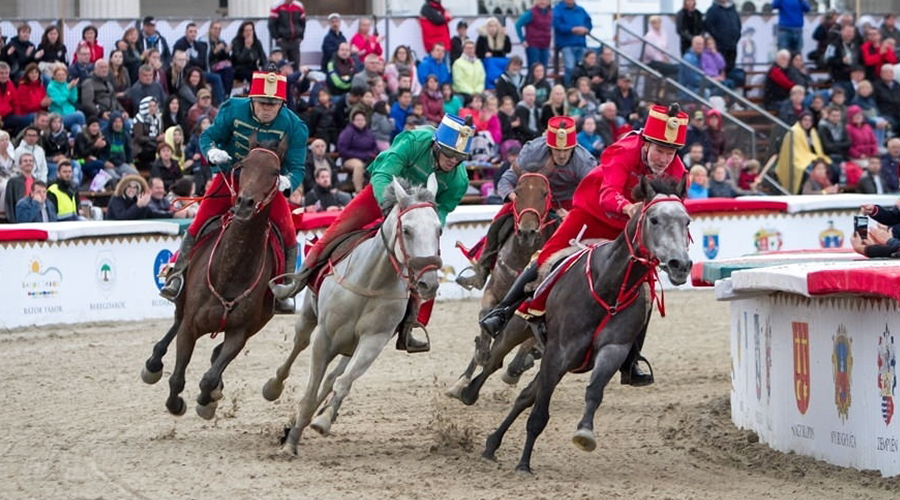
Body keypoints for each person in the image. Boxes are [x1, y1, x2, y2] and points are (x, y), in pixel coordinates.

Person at [479, 103, 690, 387]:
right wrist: (629, 209)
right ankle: (503, 312)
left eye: (671, 152)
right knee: (545, 258)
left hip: (632, 227)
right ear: (646, 143)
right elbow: (607, 194)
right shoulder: (623, 151)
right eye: (659, 150)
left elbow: (672, 212)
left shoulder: (679, 171)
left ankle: (631, 361)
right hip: (592, 213)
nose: (665, 158)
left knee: (647, 288)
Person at [272, 113, 474, 352]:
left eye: (459, 157)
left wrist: (430, 223)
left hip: (418, 213)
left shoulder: (459, 179)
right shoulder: (413, 141)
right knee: (338, 229)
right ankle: (298, 281)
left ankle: (412, 324)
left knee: (428, 259)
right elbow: (382, 175)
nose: (453, 161)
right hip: (383, 194)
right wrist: (388, 208)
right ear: (436, 145)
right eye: (449, 154)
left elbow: (444, 208)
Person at [159, 71, 308, 315]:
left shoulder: (294, 127)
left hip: (267, 186)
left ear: (282, 103)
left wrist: (287, 180)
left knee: (288, 231)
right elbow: (209, 137)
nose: (268, 109)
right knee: (199, 222)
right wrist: (211, 152)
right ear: (252, 100)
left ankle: (283, 288)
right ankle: (177, 276)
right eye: (263, 102)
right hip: (231, 177)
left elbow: (298, 167)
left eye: (274, 104)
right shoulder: (233, 110)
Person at [457, 115, 595, 290]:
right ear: (549, 146)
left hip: (570, 204)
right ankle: (482, 269)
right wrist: (517, 199)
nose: (561, 155)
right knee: (500, 220)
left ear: (573, 147)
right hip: (532, 199)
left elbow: (593, 194)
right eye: (556, 150)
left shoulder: (585, 162)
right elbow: (506, 179)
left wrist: (575, 212)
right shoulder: (532, 151)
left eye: (566, 150)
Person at [776, 111, 831, 193]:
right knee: (808, 170)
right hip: (797, 160)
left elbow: (817, 150)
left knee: (832, 167)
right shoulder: (794, 131)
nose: (807, 122)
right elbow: (797, 151)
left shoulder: (812, 132)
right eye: (805, 120)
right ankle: (810, 191)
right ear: (800, 121)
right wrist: (812, 158)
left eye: (809, 120)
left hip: (812, 157)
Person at [338, 109, 380, 193]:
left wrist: (371, 155)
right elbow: (342, 150)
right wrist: (361, 155)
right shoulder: (348, 132)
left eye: (362, 119)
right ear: (353, 121)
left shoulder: (369, 133)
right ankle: (359, 191)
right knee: (359, 166)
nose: (360, 122)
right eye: (357, 120)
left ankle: (376, 190)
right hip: (350, 159)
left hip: (368, 158)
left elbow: (375, 148)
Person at [553, 0, 592, 85]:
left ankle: (580, 88)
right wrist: (572, 29)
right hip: (566, 44)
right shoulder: (558, 10)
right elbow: (558, 25)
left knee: (582, 68)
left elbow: (588, 22)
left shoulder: (581, 10)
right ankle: (568, 87)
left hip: (581, 43)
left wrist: (586, 29)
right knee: (570, 68)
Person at [704, 0, 742, 74]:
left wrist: (736, 37)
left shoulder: (733, 10)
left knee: (731, 70)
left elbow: (738, 25)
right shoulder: (712, 10)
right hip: (720, 48)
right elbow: (709, 27)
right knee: (720, 70)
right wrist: (718, 39)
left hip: (732, 46)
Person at [268, 0, 307, 71]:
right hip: (282, 41)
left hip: (295, 41)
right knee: (282, 65)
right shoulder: (276, 5)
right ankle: (283, 81)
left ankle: (294, 81)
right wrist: (277, 37)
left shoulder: (299, 5)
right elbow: (271, 23)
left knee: (295, 65)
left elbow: (303, 22)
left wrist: (301, 36)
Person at [516, 0, 553, 70]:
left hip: (545, 45)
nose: (543, 2)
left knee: (543, 68)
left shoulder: (549, 13)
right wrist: (522, 40)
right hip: (533, 45)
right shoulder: (530, 13)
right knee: (534, 68)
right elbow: (518, 24)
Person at [4, 152, 37, 223]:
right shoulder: (13, 182)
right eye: (25, 161)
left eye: (31, 161)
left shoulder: (37, 182)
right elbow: (9, 203)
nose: (28, 163)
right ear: (20, 165)